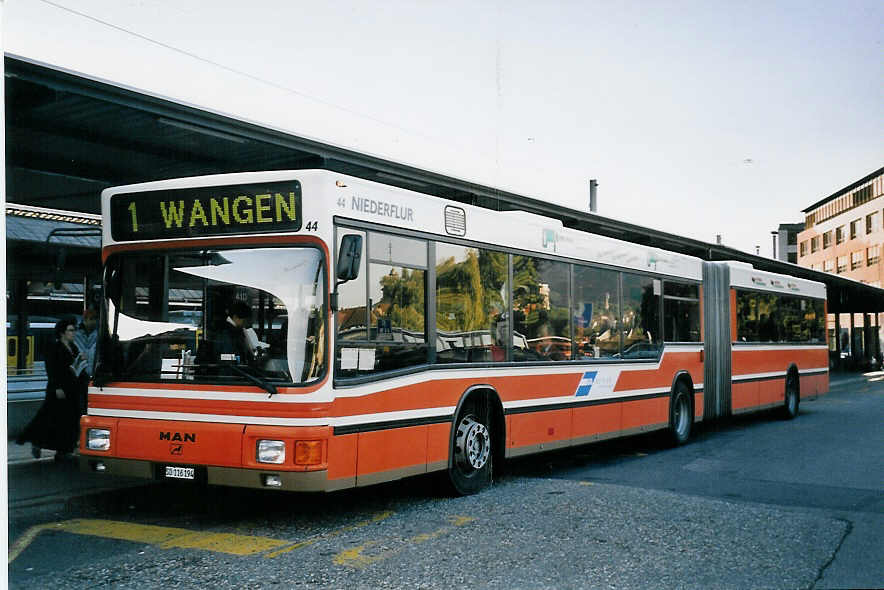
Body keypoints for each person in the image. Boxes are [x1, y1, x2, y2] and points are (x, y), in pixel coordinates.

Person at [17, 317, 87, 461]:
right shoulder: (54, 348)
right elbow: (52, 369)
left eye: (74, 330)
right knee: (49, 418)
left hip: (71, 389)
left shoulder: (73, 347)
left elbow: (74, 368)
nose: (74, 333)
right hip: (57, 389)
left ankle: (63, 449)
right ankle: (38, 442)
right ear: (62, 332)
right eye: (71, 330)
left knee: (69, 420)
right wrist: (57, 387)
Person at [217, 300, 253, 365]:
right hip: (230, 372)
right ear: (235, 317)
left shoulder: (235, 330)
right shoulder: (227, 332)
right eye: (244, 321)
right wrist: (241, 359)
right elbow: (224, 357)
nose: (245, 324)